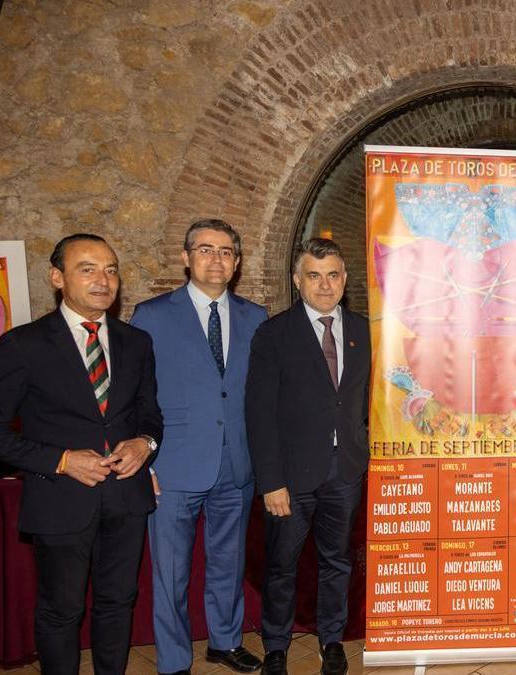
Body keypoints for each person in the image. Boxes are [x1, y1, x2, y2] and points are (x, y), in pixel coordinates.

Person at [0, 234, 162, 675]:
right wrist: (61, 459)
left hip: (126, 498)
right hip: (60, 498)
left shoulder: (137, 343)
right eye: (87, 268)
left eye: (111, 269)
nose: (103, 279)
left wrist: (144, 444)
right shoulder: (24, 345)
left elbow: (150, 414)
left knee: (118, 602)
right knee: (62, 610)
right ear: (58, 278)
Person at [131, 219, 267, 674]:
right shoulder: (152, 316)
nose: (217, 259)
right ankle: (173, 661)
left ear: (237, 262)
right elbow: (137, 393)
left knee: (228, 562)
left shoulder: (255, 316)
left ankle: (225, 642)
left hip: (237, 463)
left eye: (227, 251)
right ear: (186, 257)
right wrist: (144, 459)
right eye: (206, 249)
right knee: (170, 571)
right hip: (173, 464)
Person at [246, 238, 370, 675]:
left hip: (346, 472)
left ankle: (331, 640)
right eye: (314, 275)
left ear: (345, 280)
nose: (324, 285)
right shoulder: (273, 334)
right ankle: (276, 645)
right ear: (297, 280)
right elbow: (258, 416)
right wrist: (271, 481)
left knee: (336, 561)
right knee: (282, 565)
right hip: (291, 478)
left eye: (333, 275)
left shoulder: (362, 331)